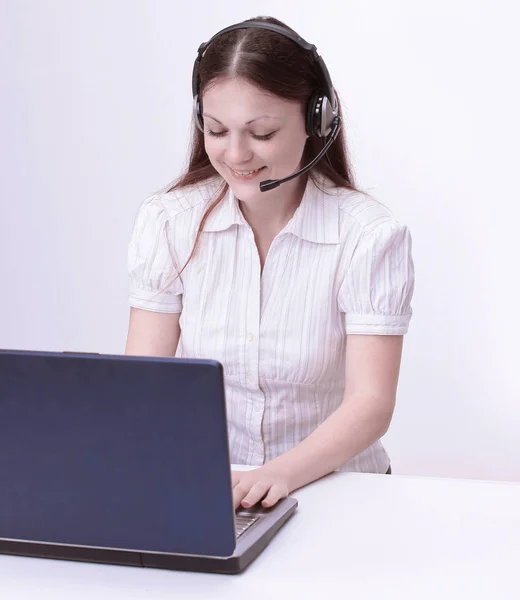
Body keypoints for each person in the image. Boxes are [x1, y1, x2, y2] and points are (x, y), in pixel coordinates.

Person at [125, 16, 415, 511]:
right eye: (217, 129)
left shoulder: (368, 234)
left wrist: (277, 475)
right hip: (223, 494)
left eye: (261, 132)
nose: (235, 154)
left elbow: (371, 405)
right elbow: (143, 382)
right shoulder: (169, 221)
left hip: (344, 493)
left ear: (316, 121)